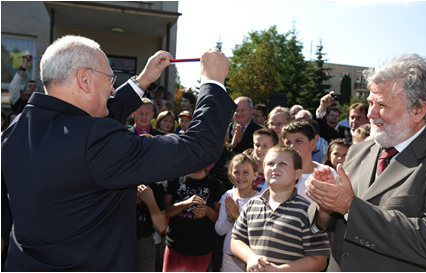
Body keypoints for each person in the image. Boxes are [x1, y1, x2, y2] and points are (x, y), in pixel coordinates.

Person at [1, 35, 237, 271]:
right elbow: (198, 147)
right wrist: (213, 82)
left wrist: (142, 81)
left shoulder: (16, 129)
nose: (113, 87)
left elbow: (85, 126)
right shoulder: (94, 142)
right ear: (84, 79)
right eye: (110, 78)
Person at [306, 54, 426, 271]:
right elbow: (330, 223)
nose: (371, 114)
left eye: (382, 104)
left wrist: (349, 207)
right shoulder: (358, 151)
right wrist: (325, 206)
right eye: (370, 102)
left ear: (419, 110)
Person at [230, 145, 330, 272]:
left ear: (297, 173)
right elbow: (236, 240)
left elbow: (319, 260)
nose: (275, 168)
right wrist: (251, 258)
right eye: (270, 164)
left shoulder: (307, 211)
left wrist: (280, 270)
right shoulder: (251, 205)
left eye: (283, 164)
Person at [163, 168, 225, 272]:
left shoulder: (216, 184)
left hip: (201, 249)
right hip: (174, 246)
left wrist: (207, 211)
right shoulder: (174, 180)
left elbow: (220, 218)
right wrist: (185, 204)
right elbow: (165, 212)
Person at [261, 120, 337, 201]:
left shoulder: (327, 173)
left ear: (312, 144)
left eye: (299, 141)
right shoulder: (277, 173)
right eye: (288, 142)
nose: (292, 146)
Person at [215, 154, 260, 272]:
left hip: (253, 257)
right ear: (231, 174)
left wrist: (237, 216)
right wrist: (230, 219)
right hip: (229, 256)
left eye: (246, 172)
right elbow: (219, 230)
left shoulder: (261, 200)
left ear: (255, 175)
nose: (241, 177)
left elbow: (258, 232)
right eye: (236, 172)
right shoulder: (228, 196)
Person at [251, 128, 278, 192]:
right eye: (257, 145)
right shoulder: (246, 169)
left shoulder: (277, 173)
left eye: (265, 146)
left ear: (274, 147)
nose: (260, 149)